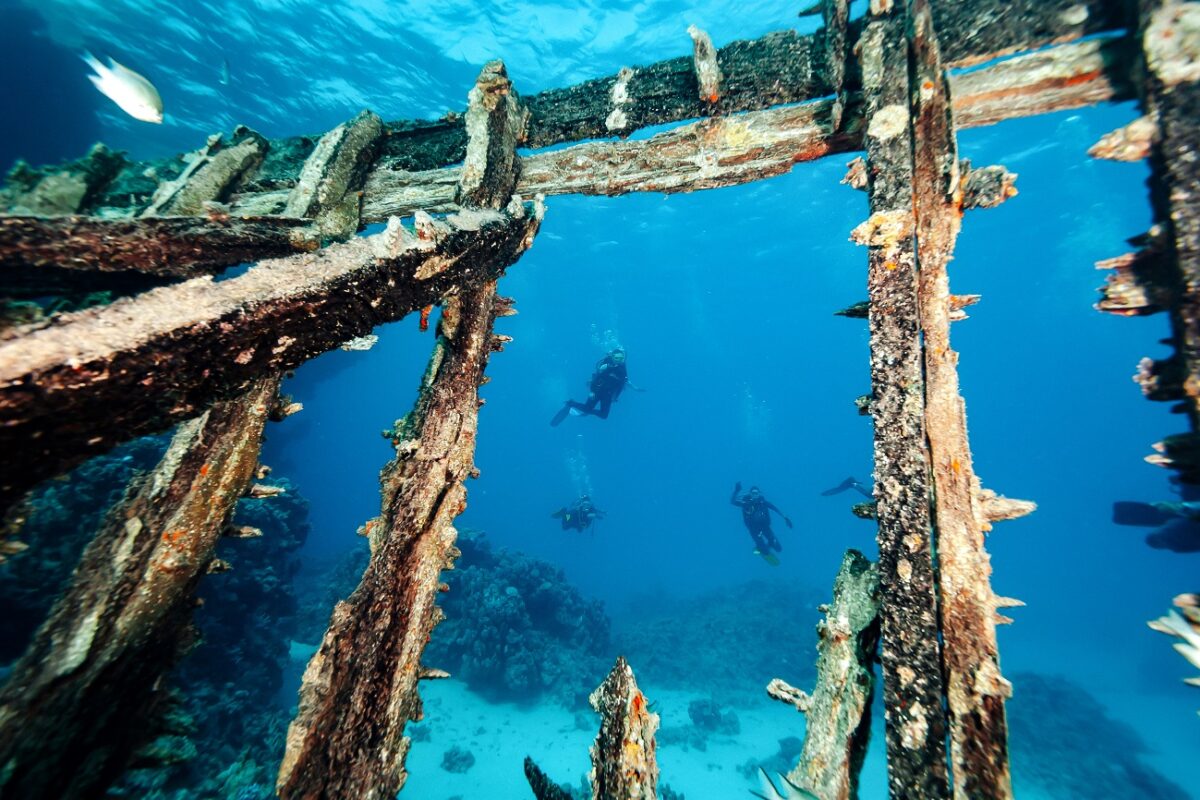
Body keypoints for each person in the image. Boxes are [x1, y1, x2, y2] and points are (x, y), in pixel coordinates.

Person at [550, 348, 637, 426]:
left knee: (604, 415)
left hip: (608, 395)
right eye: (616, 358)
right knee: (587, 409)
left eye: (621, 358)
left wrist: (615, 397)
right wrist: (592, 391)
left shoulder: (622, 369)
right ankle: (570, 403)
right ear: (612, 357)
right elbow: (596, 380)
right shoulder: (605, 367)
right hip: (597, 391)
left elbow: (621, 385)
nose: (618, 361)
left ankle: (583, 411)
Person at [730, 482, 792, 555]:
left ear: (759, 494)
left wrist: (785, 518)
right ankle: (761, 548)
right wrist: (736, 491)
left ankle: (768, 545)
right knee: (765, 552)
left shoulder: (763, 502)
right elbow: (733, 501)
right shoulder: (746, 503)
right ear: (750, 494)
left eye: (756, 493)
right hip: (753, 529)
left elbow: (775, 508)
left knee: (779, 548)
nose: (755, 495)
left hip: (765, 527)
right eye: (753, 493)